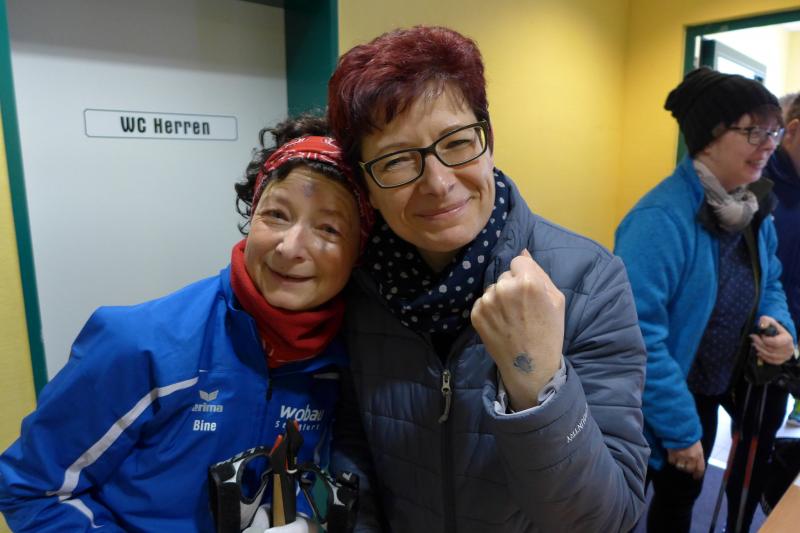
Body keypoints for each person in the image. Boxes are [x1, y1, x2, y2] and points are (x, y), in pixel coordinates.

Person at [326, 26, 649, 532]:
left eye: (457, 143)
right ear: (366, 183)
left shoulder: (590, 280)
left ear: (488, 140)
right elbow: (353, 459)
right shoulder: (361, 286)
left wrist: (537, 380)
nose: (438, 183)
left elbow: (607, 519)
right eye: (397, 160)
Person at [0, 115, 374, 532]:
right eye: (276, 214)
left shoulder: (346, 360)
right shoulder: (141, 344)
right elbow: (31, 490)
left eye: (328, 228)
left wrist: (308, 519)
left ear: (360, 249)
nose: (290, 247)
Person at [615, 68, 798, 533]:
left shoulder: (750, 207)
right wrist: (680, 432)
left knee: (682, 495)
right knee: (626, 507)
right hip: (654, 401)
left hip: (710, 388)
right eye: (754, 131)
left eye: (773, 132)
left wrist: (780, 325)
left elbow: (771, 282)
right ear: (708, 138)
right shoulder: (660, 219)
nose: (769, 144)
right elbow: (639, 338)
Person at [765, 92, 800, 428]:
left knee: (769, 428)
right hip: (760, 337)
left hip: (792, 336)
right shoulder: (757, 183)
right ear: (792, 130)